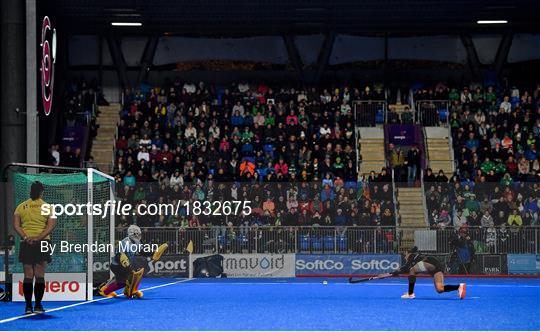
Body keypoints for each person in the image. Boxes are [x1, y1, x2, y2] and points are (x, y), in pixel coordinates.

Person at [12, 181, 56, 314]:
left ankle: (27, 307)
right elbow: (51, 226)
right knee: (39, 274)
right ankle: (38, 306)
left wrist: (26, 237)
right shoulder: (48, 207)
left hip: (26, 243)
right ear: (42, 192)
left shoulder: (20, 206)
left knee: (28, 275)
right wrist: (38, 238)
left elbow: (16, 226)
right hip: (42, 243)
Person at [98, 225, 167, 299]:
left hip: (125, 265)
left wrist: (154, 253)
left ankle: (129, 290)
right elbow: (119, 254)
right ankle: (105, 291)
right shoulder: (125, 242)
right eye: (137, 234)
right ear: (133, 234)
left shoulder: (137, 242)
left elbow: (142, 252)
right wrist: (125, 263)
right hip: (117, 265)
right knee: (123, 282)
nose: (139, 235)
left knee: (130, 277)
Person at [390, 246, 466, 299]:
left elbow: (406, 268)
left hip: (430, 262)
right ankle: (459, 287)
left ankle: (410, 293)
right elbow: (406, 269)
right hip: (437, 267)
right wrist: (393, 273)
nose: (405, 257)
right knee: (440, 289)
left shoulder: (411, 256)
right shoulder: (415, 257)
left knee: (412, 270)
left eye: (405, 255)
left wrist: (392, 274)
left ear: (408, 253)